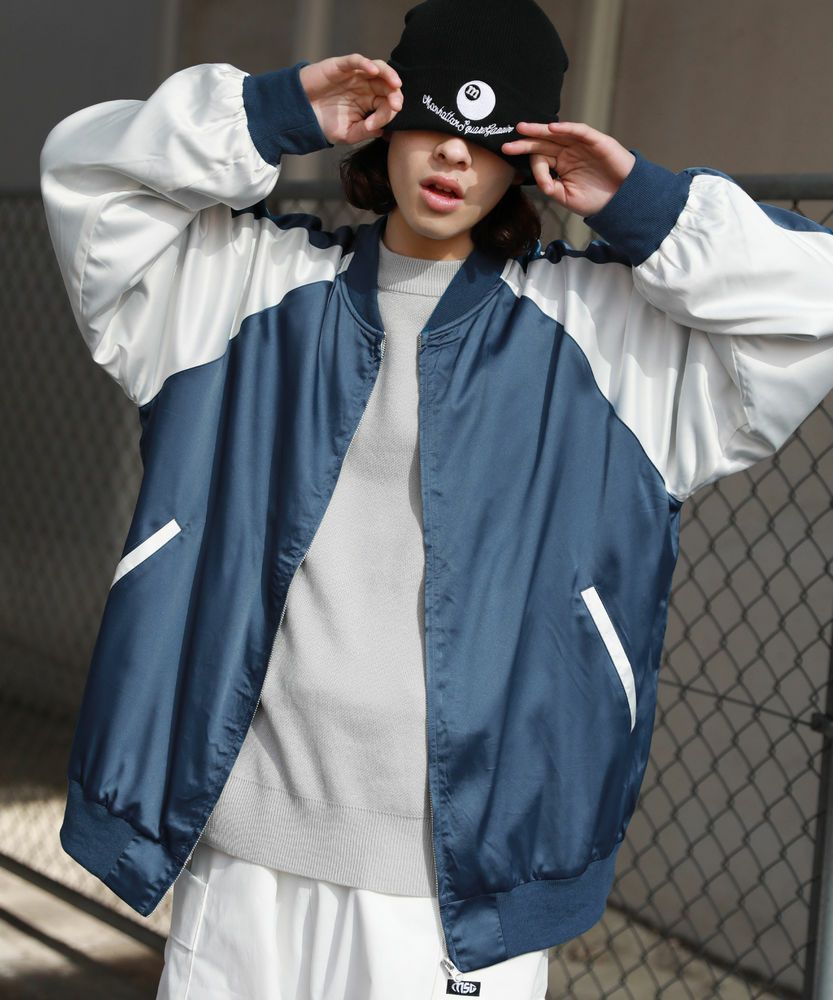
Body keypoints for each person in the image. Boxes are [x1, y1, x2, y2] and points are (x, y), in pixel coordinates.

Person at [39, 0, 833, 998]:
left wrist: (640, 205)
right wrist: (271, 114)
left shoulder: (606, 337)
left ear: (524, 160)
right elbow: (91, 180)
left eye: (490, 137)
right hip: (242, 849)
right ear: (385, 125)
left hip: (454, 883)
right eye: (432, 121)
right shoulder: (242, 287)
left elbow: (813, 302)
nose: (454, 154)